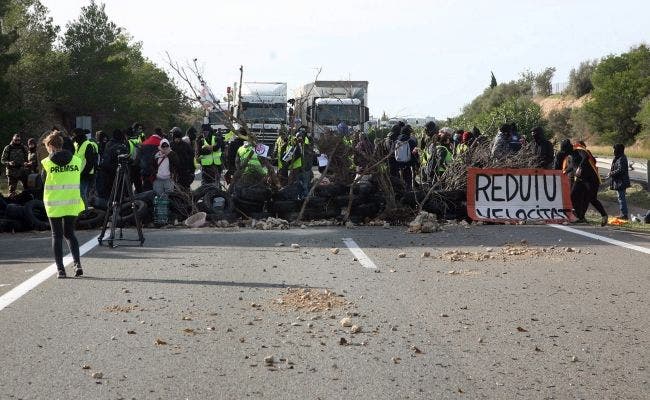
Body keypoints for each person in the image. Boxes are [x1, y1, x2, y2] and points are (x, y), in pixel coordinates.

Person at [41, 131, 84, 279]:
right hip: (72, 203)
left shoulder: (47, 163)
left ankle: (60, 270)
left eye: (47, 146)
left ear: (51, 146)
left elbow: (42, 181)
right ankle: (77, 263)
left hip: (54, 205)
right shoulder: (76, 161)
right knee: (70, 234)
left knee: (57, 236)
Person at [571, 141, 607, 226]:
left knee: (591, 198)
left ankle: (604, 215)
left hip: (591, 179)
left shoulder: (581, 150)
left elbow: (587, 158)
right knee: (575, 195)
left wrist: (580, 167)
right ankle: (580, 216)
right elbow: (572, 165)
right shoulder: (575, 152)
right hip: (582, 179)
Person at [72, 128, 98, 208]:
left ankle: (85, 212)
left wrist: (82, 174)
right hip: (78, 174)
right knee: (81, 194)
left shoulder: (88, 145)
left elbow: (90, 162)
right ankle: (83, 210)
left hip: (86, 174)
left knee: (82, 194)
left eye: (74, 136)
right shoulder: (76, 145)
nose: (73, 137)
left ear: (79, 136)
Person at [98, 129, 127, 199]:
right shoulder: (120, 146)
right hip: (115, 172)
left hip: (106, 171)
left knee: (108, 192)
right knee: (117, 192)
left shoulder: (108, 144)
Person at [606, 143, 631, 220]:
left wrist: (611, 173)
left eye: (614, 149)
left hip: (621, 181)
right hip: (620, 181)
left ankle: (624, 215)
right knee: (620, 197)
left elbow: (621, 170)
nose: (613, 151)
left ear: (618, 150)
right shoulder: (619, 157)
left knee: (621, 198)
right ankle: (623, 214)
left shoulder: (622, 158)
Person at [394, 124, 418, 189]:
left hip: (398, 162)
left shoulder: (396, 140)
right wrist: (416, 164)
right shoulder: (411, 141)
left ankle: (402, 190)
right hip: (408, 163)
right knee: (408, 179)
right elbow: (415, 153)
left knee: (400, 178)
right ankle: (409, 190)